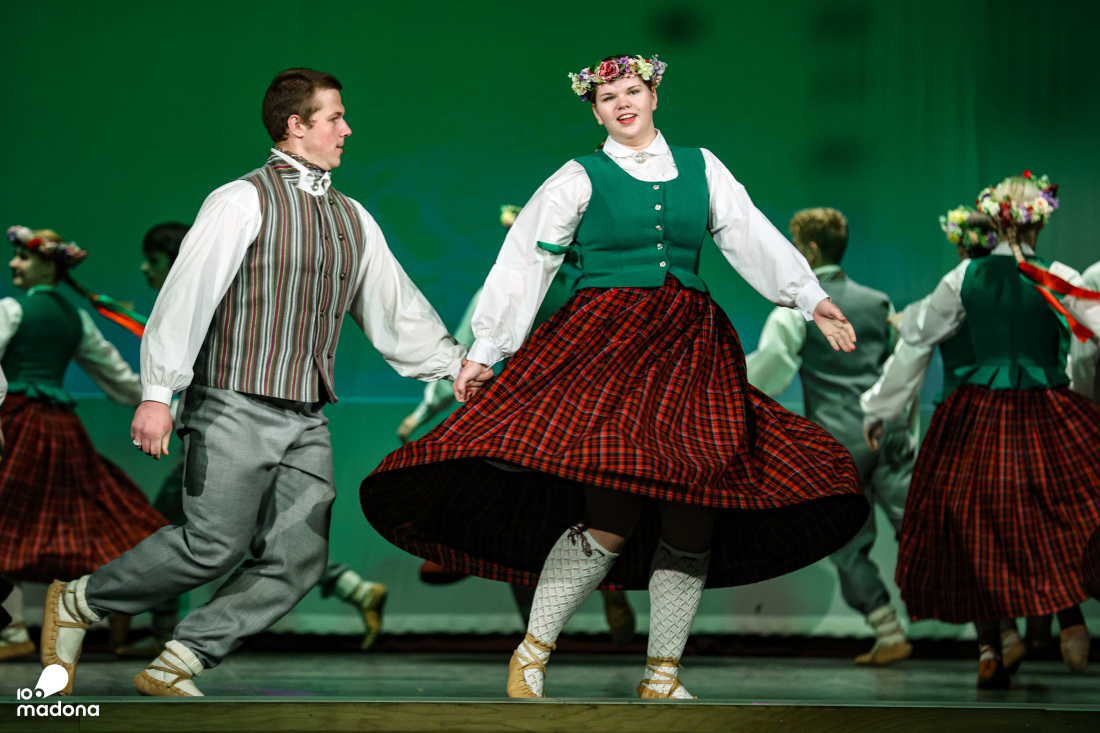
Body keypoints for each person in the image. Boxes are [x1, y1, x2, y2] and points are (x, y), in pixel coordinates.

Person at [361, 54, 867, 700]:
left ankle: (663, 674)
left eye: (633, 90)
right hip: (609, 344)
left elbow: (751, 237)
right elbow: (526, 262)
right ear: (595, 111)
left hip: (689, 348)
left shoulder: (702, 167)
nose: (623, 103)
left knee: (693, 513)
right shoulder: (579, 177)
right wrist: (486, 348)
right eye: (608, 97)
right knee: (612, 511)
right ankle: (532, 653)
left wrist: (808, 297)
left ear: (654, 95)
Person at [39, 68, 477, 698]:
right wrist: (158, 393)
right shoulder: (241, 200)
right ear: (296, 126)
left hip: (305, 413)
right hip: (232, 402)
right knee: (211, 547)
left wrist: (453, 364)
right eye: (335, 117)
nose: (347, 129)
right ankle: (81, 601)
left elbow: (394, 307)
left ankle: (181, 657)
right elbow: (186, 296)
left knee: (298, 558)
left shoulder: (352, 217)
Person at [117, 223, 392, 657]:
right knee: (267, 534)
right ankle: (352, 587)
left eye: (153, 261)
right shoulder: (216, 305)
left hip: (221, 436)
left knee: (183, 531)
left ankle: (161, 631)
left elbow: (188, 350)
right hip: (235, 434)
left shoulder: (211, 305)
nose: (144, 269)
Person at [891, 173, 1100, 688]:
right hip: (1044, 408)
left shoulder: (965, 276)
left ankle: (1001, 640)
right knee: (1060, 509)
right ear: (1039, 222)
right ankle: (1067, 619)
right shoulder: (1058, 275)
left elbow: (921, 334)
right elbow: (1093, 329)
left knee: (973, 521)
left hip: (978, 414)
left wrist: (887, 395)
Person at [401, 204, 636, 646]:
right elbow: (473, 347)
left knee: (540, 522)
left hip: (545, 419)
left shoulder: (549, 284)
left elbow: (470, 347)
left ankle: (557, 618)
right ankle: (573, 607)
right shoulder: (588, 282)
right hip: (560, 417)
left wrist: (423, 412)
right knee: (572, 513)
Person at [745, 207, 914, 666]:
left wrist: (727, 390)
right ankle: (991, 632)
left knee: (845, 540)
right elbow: (902, 367)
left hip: (840, 442)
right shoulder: (879, 303)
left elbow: (771, 367)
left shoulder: (798, 311)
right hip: (890, 432)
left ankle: (888, 629)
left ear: (812, 251)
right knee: (918, 528)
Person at [0, 226, 166, 662]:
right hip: (57, 430)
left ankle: (12, 630)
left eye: (23, 257)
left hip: (14, 424)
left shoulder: (11, 309)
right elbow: (120, 381)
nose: (14, 263)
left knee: (8, 521)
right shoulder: (76, 318)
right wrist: (166, 404)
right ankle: (20, 627)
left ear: (47, 266)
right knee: (35, 522)